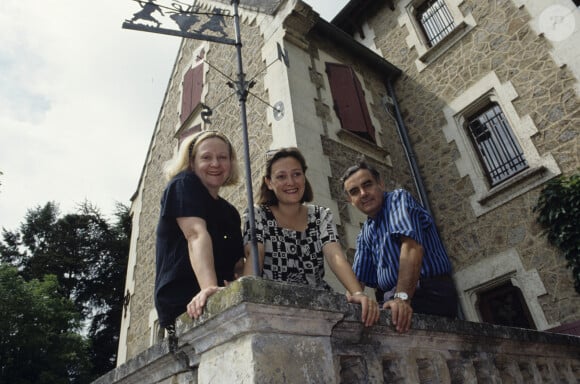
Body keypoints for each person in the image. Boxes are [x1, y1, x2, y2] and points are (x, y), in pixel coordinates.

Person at [242, 148, 380, 327]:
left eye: (296, 174)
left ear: (304, 177)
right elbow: (255, 255)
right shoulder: (257, 214)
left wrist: (357, 293)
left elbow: (334, 255)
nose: (291, 182)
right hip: (274, 305)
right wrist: (246, 296)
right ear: (269, 182)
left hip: (318, 306)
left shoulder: (321, 215)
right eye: (281, 176)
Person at [341, 159, 458, 333]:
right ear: (351, 200)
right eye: (355, 191)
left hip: (429, 291)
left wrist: (402, 298)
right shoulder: (365, 232)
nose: (363, 193)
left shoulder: (397, 199)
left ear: (380, 184)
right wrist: (348, 305)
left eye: (367, 185)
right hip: (392, 297)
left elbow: (412, 248)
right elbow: (356, 283)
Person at [154, 130, 244, 339]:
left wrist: (237, 287)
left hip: (217, 300)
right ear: (191, 162)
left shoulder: (230, 212)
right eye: (206, 157)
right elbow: (195, 235)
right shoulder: (183, 184)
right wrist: (210, 291)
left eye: (223, 157)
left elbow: (237, 265)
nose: (215, 163)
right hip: (185, 303)